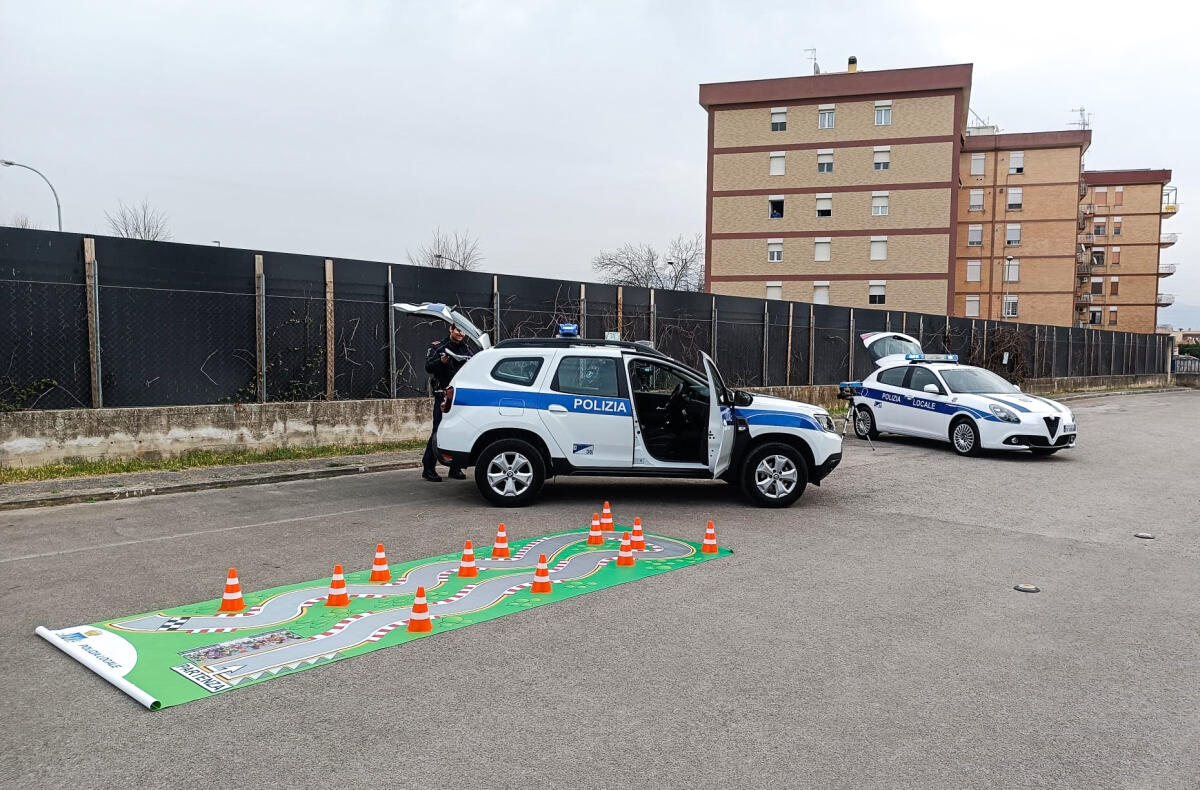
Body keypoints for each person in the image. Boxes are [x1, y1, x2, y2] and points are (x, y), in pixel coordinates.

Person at [422, 323, 473, 482]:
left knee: (459, 430)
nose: (461, 334)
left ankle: (455, 468)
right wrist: (442, 362)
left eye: (463, 331)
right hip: (443, 395)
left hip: (460, 396)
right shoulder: (438, 347)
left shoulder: (466, 349)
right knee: (438, 430)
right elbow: (428, 367)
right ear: (451, 329)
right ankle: (428, 468)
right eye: (458, 330)